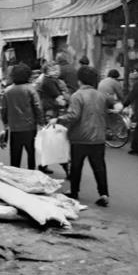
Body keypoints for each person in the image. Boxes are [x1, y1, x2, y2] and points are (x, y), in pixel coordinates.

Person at [51, 66, 114, 207]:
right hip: (98, 137)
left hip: (79, 137)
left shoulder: (77, 96)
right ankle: (103, 194)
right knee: (99, 167)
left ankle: (74, 191)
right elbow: (108, 111)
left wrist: (58, 120)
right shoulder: (101, 95)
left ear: (79, 80)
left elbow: (73, 116)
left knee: (76, 166)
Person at [0, 63, 44, 170]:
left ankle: (15, 176)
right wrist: (41, 122)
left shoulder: (8, 91)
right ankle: (31, 173)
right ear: (28, 75)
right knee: (31, 153)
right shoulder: (30, 89)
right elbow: (38, 107)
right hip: (29, 127)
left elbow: (3, 110)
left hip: (14, 128)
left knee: (15, 155)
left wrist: (5, 124)